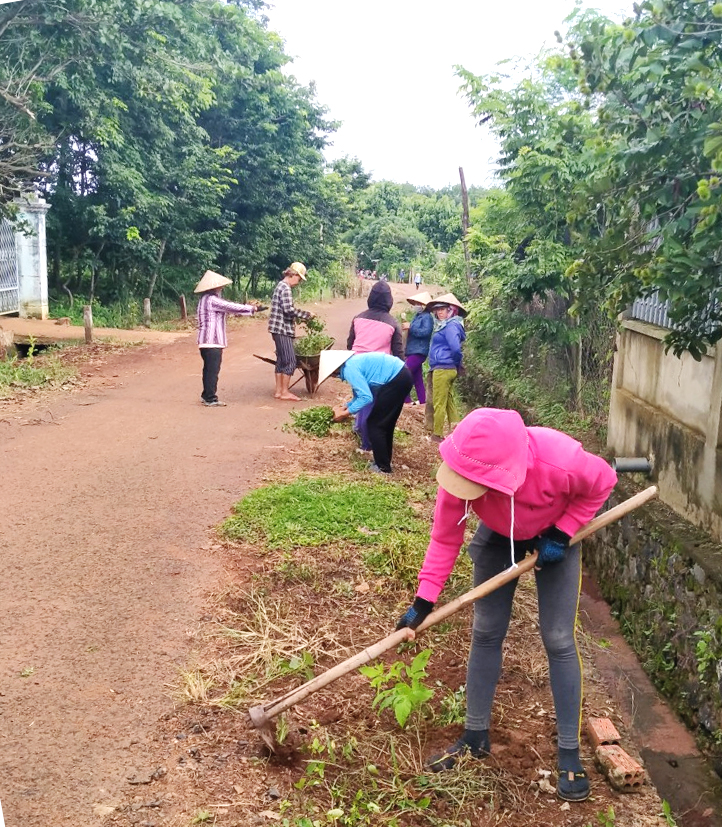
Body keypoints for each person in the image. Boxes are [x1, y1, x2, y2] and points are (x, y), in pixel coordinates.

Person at [396, 407, 618, 802]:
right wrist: (423, 600)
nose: (462, 487)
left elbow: (604, 482)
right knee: (485, 632)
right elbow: (445, 537)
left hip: (554, 538)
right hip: (499, 536)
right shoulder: (461, 470)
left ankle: (569, 749)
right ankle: (475, 734)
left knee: (558, 639)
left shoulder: (560, 459)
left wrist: (563, 531)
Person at [317, 350, 413, 474]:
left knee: (375, 425)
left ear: (335, 369)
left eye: (332, 375)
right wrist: (346, 406)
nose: (334, 377)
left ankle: (383, 468)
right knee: (385, 425)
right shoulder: (352, 363)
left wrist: (345, 413)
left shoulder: (349, 369)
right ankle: (384, 463)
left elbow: (366, 397)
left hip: (396, 379)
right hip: (402, 375)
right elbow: (359, 396)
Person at [347, 280, 404, 450]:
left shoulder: (358, 318)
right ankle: (367, 445)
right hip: (379, 371)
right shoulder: (393, 323)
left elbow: (350, 344)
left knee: (361, 400)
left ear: (370, 298)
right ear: (389, 300)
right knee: (372, 407)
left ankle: (359, 428)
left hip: (357, 366)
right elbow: (398, 351)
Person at [195, 269, 265, 407]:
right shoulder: (212, 300)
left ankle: (206, 395)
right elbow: (230, 306)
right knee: (213, 370)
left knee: (208, 369)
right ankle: (210, 398)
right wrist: (252, 309)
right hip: (212, 341)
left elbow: (229, 309)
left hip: (205, 341)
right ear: (214, 287)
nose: (222, 288)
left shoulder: (204, 299)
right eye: (220, 286)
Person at [268, 262, 313, 401]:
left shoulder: (280, 286)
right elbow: (288, 310)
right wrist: (306, 315)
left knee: (281, 360)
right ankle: (285, 392)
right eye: (299, 279)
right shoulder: (285, 288)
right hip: (282, 329)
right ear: (292, 275)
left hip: (277, 328)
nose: (298, 282)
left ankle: (279, 391)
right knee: (290, 361)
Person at [424, 293, 467, 442]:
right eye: (437, 310)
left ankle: (437, 434)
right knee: (448, 400)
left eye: (443, 309)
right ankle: (457, 431)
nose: (439, 312)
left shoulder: (450, 326)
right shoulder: (449, 325)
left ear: (451, 310)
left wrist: (455, 361)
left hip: (443, 368)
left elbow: (455, 349)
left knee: (439, 401)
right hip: (446, 367)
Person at [401, 291, 434, 406]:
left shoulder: (427, 317)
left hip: (419, 351)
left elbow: (425, 332)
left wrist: (411, 327)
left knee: (403, 374)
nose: (416, 305)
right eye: (415, 303)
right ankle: (423, 402)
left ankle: (406, 401)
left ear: (424, 305)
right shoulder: (418, 316)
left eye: (418, 303)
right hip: (413, 350)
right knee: (417, 378)